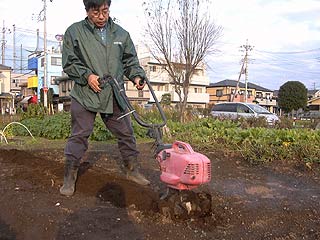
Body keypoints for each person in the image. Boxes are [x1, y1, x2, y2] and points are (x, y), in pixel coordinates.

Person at [60, 0, 150, 197]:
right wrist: (87, 76)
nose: (101, 16)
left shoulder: (121, 34)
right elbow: (69, 62)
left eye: (105, 11)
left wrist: (136, 76)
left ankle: (132, 170)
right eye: (95, 12)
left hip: (113, 92)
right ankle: (69, 176)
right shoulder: (74, 32)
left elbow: (130, 61)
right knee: (80, 134)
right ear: (87, 10)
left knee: (126, 133)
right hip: (86, 93)